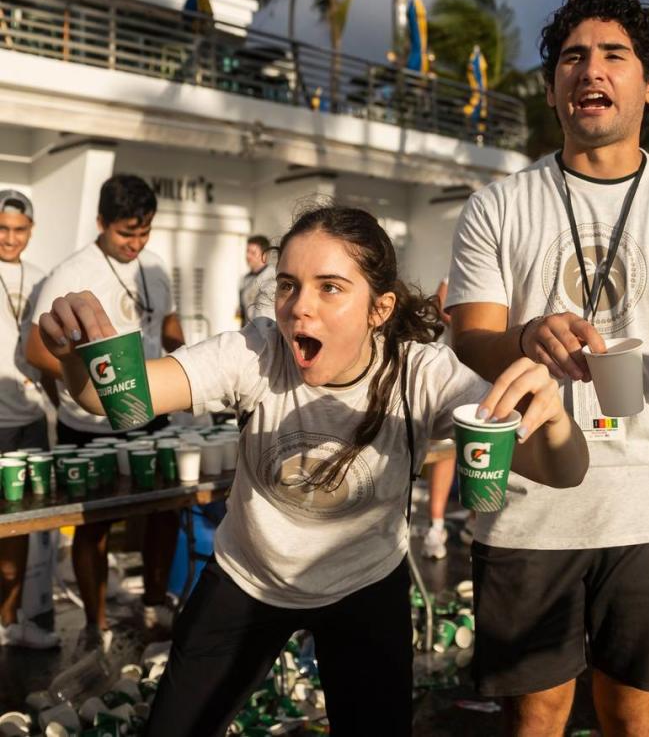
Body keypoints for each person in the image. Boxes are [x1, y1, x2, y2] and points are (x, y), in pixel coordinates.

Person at [38, 204, 589, 736]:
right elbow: (121, 401)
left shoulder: (422, 371)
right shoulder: (256, 353)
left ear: (380, 308)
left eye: (330, 287)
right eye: (287, 284)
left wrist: (556, 421)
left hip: (365, 584)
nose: (299, 307)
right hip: (248, 577)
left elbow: (564, 471)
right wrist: (72, 354)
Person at [446, 0, 649, 736]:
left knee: (635, 718)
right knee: (537, 718)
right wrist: (528, 336)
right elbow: (471, 334)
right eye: (571, 58)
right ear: (554, 84)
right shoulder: (498, 204)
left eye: (613, 56)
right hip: (528, 499)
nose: (589, 70)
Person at [25, 174, 184, 642]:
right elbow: (36, 350)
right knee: (95, 524)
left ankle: (154, 605)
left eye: (144, 232)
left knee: (165, 510)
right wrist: (88, 379)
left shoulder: (154, 265)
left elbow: (168, 324)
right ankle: (96, 626)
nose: (136, 244)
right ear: (100, 223)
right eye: (125, 233)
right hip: (90, 423)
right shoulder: (71, 273)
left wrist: (184, 364)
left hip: (155, 409)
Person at [0, 190, 59, 649]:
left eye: (19, 230)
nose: (10, 238)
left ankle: (11, 620)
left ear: (31, 231)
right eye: (2, 228)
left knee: (25, 524)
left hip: (32, 416)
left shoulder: (42, 279)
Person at [421, 277, 459, 560]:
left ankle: (474, 519)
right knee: (444, 450)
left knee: (486, 449)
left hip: (487, 369)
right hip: (456, 370)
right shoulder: (452, 270)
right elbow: (440, 307)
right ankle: (436, 525)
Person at [238, 234, 275, 325]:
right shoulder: (245, 280)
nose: (248, 256)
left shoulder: (273, 276)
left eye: (253, 253)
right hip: (249, 330)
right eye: (247, 252)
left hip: (268, 331)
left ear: (264, 255)